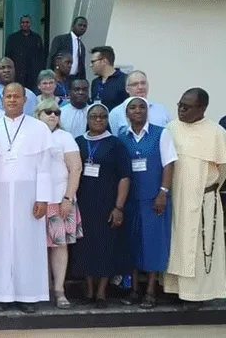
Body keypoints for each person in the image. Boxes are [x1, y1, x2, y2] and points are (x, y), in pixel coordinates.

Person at [0, 83, 53, 313]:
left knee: (28, 244)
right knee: (0, 244)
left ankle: (28, 295)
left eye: (17, 96)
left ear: (25, 100)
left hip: (29, 196)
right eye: (8, 96)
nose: (12, 100)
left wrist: (43, 198)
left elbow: (45, 166)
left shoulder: (39, 129)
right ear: (2, 100)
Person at [165, 88, 226, 307]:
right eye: (180, 105)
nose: (181, 110)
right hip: (176, 197)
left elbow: (223, 169)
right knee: (176, 243)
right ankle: (173, 289)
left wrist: (205, 188)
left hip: (203, 199)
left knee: (199, 248)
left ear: (202, 109)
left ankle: (197, 295)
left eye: (187, 107)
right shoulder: (171, 128)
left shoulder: (217, 132)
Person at [117, 97, 177, 309]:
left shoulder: (161, 133)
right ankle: (134, 290)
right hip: (131, 200)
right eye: (133, 107)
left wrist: (163, 192)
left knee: (153, 244)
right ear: (127, 113)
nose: (138, 111)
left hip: (154, 200)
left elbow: (169, 164)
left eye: (142, 107)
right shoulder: (122, 136)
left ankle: (151, 291)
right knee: (132, 244)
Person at [70, 103, 130, 308]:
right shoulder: (78, 142)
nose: (98, 120)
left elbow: (124, 177)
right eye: (94, 116)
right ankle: (89, 290)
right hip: (83, 203)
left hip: (107, 204)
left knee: (105, 247)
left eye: (102, 117)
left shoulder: (116, 144)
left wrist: (119, 207)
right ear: (87, 119)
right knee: (85, 246)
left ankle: (102, 292)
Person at [34, 99, 82, 309]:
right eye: (48, 111)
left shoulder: (65, 137)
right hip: (35, 201)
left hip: (59, 199)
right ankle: (40, 288)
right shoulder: (31, 135)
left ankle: (59, 289)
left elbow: (76, 169)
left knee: (59, 246)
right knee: (36, 247)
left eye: (57, 112)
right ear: (38, 114)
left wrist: (68, 198)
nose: (53, 115)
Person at [108, 70, 171, 137]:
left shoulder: (161, 110)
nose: (140, 87)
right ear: (127, 89)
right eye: (135, 84)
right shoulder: (116, 113)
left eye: (143, 83)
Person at [5, 14, 44, 91]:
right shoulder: (12, 38)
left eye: (27, 22)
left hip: (33, 75)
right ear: (20, 24)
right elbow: (7, 57)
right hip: (17, 74)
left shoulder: (37, 38)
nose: (25, 24)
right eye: (23, 22)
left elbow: (41, 57)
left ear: (30, 23)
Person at [47, 16, 87, 80]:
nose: (82, 27)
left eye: (84, 26)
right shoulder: (60, 39)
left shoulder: (82, 46)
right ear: (73, 25)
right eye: (80, 25)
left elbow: (82, 67)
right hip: (60, 78)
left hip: (75, 80)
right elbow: (51, 57)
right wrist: (48, 76)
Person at [89, 46, 128, 110]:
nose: (90, 65)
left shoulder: (125, 80)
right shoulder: (95, 82)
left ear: (104, 61)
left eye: (93, 62)